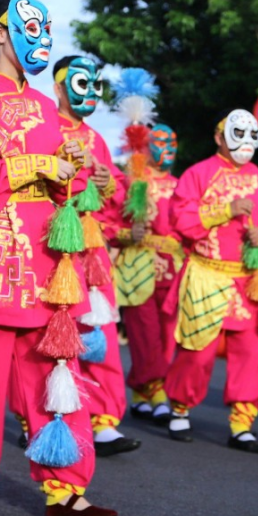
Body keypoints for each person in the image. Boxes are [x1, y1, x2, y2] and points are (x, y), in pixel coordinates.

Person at [0, 0, 116, 516]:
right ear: (0, 32)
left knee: (54, 367)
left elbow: (61, 185)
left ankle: (65, 487)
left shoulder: (44, 105)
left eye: (47, 29)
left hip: (44, 251)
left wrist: (69, 166)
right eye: (31, 29)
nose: (42, 39)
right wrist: (39, 164)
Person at [162, 109, 258, 450]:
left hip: (248, 282)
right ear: (219, 137)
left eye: (252, 135)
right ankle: (180, 408)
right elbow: (182, 219)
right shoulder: (198, 174)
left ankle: (242, 424)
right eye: (238, 134)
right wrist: (225, 211)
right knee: (197, 351)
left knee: (252, 351)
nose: (246, 142)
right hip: (206, 274)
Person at [51, 55, 138, 456]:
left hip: (91, 249)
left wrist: (107, 181)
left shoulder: (96, 139)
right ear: (59, 87)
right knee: (50, 331)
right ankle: (42, 416)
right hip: (50, 242)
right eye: (80, 83)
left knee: (98, 331)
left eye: (93, 85)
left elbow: (115, 196)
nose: (90, 93)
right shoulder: (42, 127)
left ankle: (103, 420)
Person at [117, 122, 184, 421]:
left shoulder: (182, 185)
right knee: (145, 334)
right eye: (160, 142)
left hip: (174, 270)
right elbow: (113, 219)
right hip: (139, 266)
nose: (167, 149)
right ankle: (158, 392)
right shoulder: (134, 182)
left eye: (172, 143)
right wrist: (127, 232)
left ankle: (140, 392)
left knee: (168, 336)